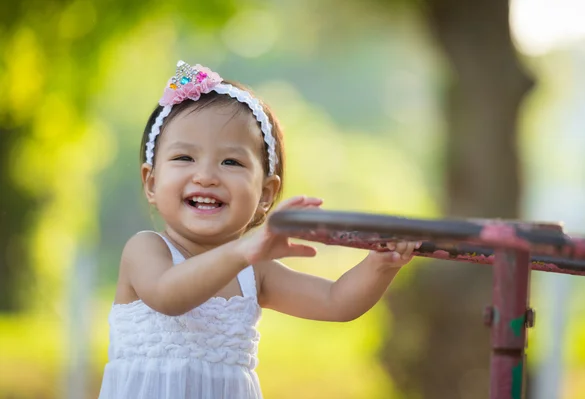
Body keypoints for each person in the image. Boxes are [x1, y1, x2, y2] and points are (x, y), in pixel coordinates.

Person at [98, 60, 420, 399]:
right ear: (151, 182)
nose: (206, 175)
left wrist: (379, 265)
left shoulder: (254, 270)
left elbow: (336, 301)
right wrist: (242, 251)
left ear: (265, 194)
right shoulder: (146, 250)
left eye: (231, 162)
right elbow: (167, 295)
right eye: (184, 158)